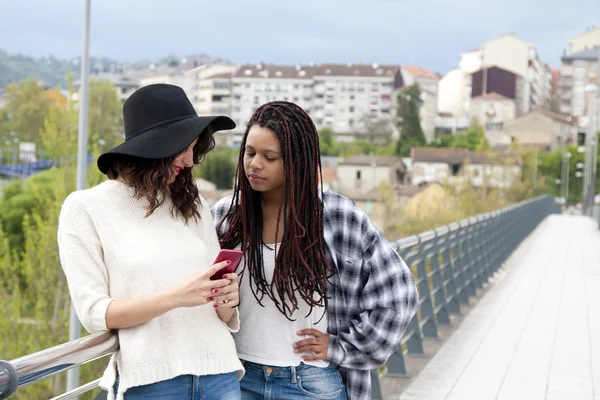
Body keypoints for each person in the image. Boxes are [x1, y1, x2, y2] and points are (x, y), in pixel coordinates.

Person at [211, 101, 418, 400]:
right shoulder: (226, 218)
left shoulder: (335, 216)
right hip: (238, 379)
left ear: (296, 161)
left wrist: (343, 347)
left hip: (309, 383)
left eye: (270, 157)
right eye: (250, 152)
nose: (255, 164)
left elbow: (398, 293)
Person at [58, 84, 243, 400]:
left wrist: (227, 298)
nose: (189, 160)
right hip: (152, 384)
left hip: (220, 375)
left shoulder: (192, 204)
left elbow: (220, 312)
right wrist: (176, 296)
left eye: (194, 147)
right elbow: (95, 315)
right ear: (154, 147)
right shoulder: (84, 208)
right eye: (183, 147)